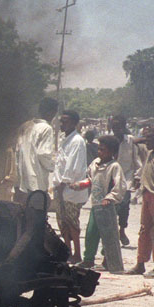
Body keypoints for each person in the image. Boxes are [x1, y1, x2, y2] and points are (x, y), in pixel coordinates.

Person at [75, 135, 125, 272]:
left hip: (108, 207)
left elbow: (119, 186)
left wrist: (110, 198)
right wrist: (79, 185)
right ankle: (88, 259)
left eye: (103, 150)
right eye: (99, 149)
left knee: (108, 234)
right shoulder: (95, 163)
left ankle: (107, 260)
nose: (99, 152)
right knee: (91, 232)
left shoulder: (114, 166)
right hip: (96, 205)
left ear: (112, 152)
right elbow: (90, 180)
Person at [50, 109, 88, 263]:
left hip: (70, 190)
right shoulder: (65, 139)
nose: (62, 124)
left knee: (72, 223)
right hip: (60, 189)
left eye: (65, 121)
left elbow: (74, 167)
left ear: (74, 122)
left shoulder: (77, 141)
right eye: (61, 121)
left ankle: (77, 254)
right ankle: (68, 251)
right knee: (62, 222)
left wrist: (63, 182)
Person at [126, 126, 154, 277]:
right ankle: (140, 263)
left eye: (150, 138)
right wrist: (147, 138)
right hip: (147, 194)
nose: (146, 141)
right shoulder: (150, 153)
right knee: (144, 229)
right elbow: (133, 141)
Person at [14, 97, 57, 204]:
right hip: (36, 183)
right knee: (35, 215)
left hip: (21, 181)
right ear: (51, 112)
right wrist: (52, 166)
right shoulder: (46, 128)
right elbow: (43, 153)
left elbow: (17, 152)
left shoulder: (25, 126)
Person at [109, 115, 142, 247]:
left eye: (118, 126)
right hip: (109, 178)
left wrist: (137, 177)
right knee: (110, 207)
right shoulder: (108, 140)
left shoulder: (130, 142)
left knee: (124, 205)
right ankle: (111, 232)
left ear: (123, 127)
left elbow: (136, 161)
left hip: (125, 178)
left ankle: (122, 230)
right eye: (114, 126)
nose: (116, 129)